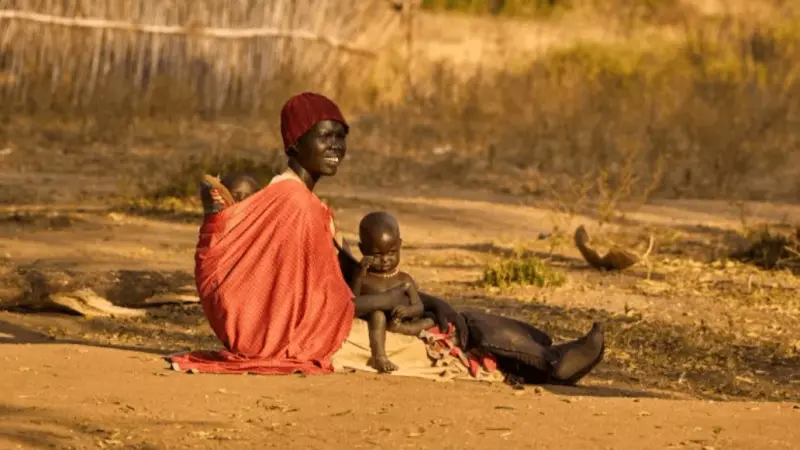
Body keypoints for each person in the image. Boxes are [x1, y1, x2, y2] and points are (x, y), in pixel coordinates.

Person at [167, 92, 605, 386]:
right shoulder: (295, 205)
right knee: (450, 340)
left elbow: (339, 277)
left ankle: (547, 349)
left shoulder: (298, 199)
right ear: (294, 144)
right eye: (325, 137)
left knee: (453, 316)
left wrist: (425, 298)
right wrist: (400, 300)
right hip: (317, 337)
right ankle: (553, 366)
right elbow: (319, 303)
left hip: (323, 326)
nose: (336, 147)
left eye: (341, 137)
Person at [352, 211, 435, 373]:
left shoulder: (404, 279)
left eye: (391, 253)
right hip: (375, 319)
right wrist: (359, 275)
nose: (385, 260)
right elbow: (352, 302)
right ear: (362, 250)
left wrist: (407, 311)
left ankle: (398, 328)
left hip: (400, 320)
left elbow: (418, 306)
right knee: (378, 315)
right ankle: (379, 357)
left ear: (399, 245)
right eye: (377, 254)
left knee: (429, 322)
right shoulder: (364, 277)